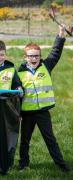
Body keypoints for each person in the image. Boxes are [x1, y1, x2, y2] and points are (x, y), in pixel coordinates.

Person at [17, 26, 69, 172]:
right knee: (24, 141)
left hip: (43, 113)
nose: (34, 59)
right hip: (27, 113)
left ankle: (61, 165)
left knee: (50, 139)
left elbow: (56, 52)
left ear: (40, 56)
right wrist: (18, 113)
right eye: (31, 56)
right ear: (25, 57)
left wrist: (60, 34)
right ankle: (23, 164)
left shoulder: (46, 66)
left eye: (37, 56)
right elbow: (17, 96)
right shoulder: (19, 73)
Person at [0, 40, 21, 173]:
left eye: (2, 54)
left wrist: (19, 88)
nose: (0, 57)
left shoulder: (11, 69)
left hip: (5, 109)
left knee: (5, 136)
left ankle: (4, 164)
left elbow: (17, 85)